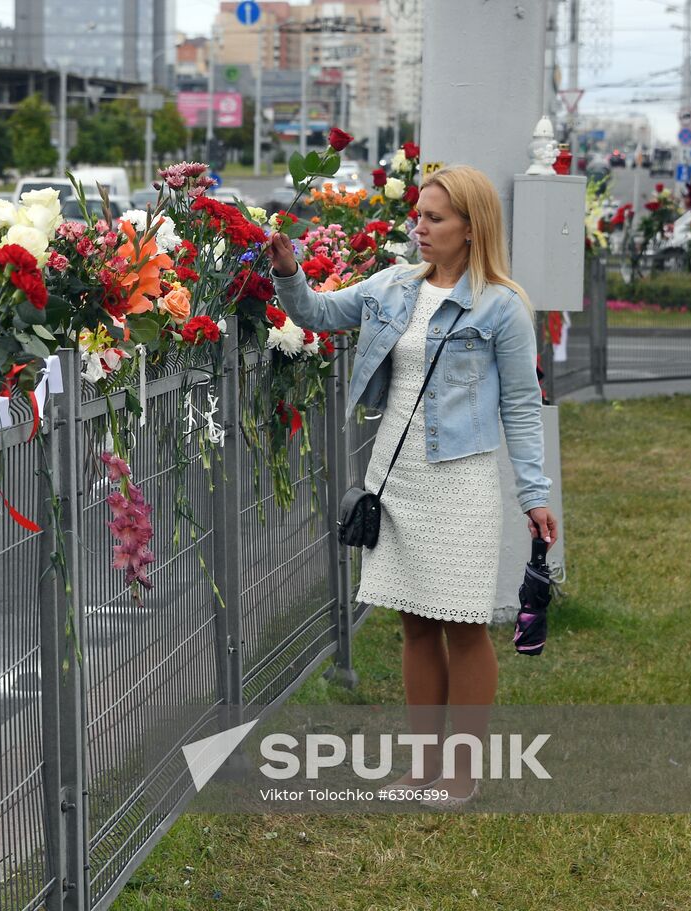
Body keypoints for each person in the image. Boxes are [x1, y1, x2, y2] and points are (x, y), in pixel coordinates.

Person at [267, 164, 559, 809]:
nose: (419, 228)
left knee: (462, 623)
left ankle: (463, 772)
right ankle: (422, 768)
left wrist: (534, 493)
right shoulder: (394, 285)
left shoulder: (501, 306)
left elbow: (520, 402)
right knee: (414, 626)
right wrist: (288, 269)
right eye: (417, 215)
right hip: (393, 479)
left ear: (471, 228)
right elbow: (316, 313)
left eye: (435, 218)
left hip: (460, 481)